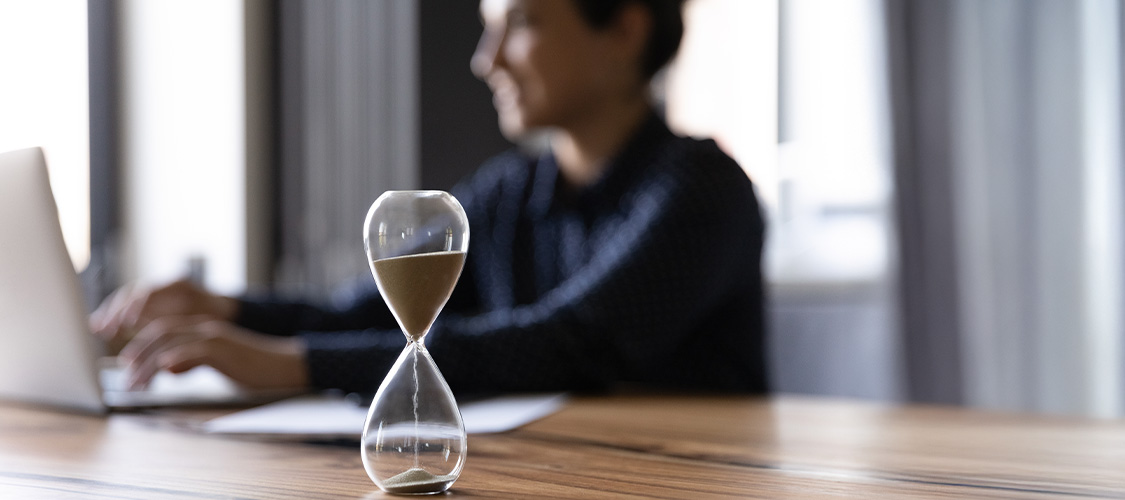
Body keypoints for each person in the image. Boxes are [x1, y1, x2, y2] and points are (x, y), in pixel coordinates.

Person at [90, 0, 768, 395]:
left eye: (521, 23)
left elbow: (573, 342)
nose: (485, 59)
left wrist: (293, 366)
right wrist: (222, 311)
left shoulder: (701, 188)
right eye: (486, 25)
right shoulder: (510, 194)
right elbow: (368, 312)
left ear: (624, 29)